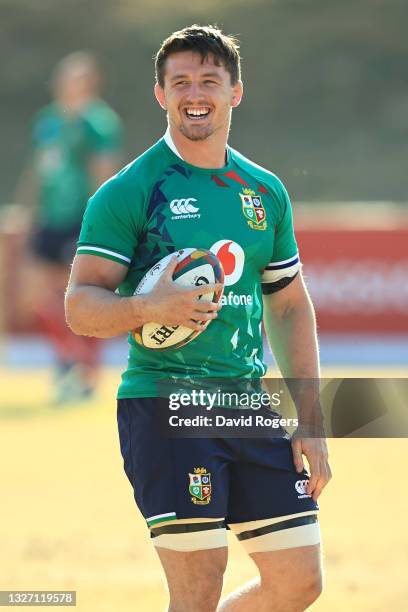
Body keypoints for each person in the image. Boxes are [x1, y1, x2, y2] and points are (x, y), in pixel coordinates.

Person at [65, 26, 331, 611]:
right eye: (180, 81)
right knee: (198, 586)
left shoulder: (265, 192)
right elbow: (80, 306)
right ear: (160, 94)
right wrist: (146, 308)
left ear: (236, 91)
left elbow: (287, 304)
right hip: (165, 404)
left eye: (210, 80)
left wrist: (311, 417)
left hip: (247, 403)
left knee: (300, 580)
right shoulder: (129, 192)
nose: (195, 92)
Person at [16, 51, 122, 403]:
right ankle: (67, 355)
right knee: (33, 294)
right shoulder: (47, 122)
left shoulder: (98, 123)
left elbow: (104, 172)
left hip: (79, 219)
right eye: (62, 77)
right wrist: (28, 212)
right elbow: (38, 170)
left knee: (75, 294)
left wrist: (100, 223)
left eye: (73, 78)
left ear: (89, 84)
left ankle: (87, 371)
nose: (64, 84)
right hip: (49, 218)